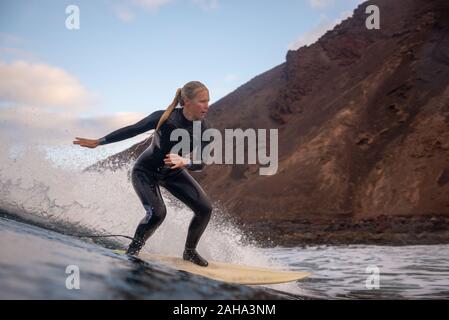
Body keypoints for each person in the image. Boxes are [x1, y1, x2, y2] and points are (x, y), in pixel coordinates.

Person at [73, 81, 214, 267]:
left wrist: (185, 161)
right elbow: (133, 129)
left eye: (208, 101)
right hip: (145, 172)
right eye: (202, 101)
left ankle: (189, 252)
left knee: (205, 209)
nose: (206, 106)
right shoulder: (165, 117)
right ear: (186, 101)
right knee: (157, 213)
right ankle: (133, 250)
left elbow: (201, 162)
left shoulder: (205, 129)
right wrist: (99, 141)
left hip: (172, 172)